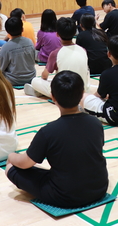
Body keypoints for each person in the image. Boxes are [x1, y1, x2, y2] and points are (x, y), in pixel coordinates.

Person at [6, 70, 108, 208]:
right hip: (99, 188)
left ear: (53, 97)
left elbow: (25, 164)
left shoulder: (48, 132)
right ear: (81, 94)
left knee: (11, 168)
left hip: (65, 196)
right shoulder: (95, 123)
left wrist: (11, 156)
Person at [25, 18, 90, 98]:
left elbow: (44, 76)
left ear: (57, 34)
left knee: (35, 81)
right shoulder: (83, 50)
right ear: (74, 33)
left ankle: (42, 92)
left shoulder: (56, 53)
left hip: (63, 93)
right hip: (82, 90)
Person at [0, 17, 36, 87]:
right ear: (22, 29)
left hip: (13, 80)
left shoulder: (6, 47)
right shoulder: (30, 42)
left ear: (8, 32)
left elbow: (0, 68)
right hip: (31, 77)